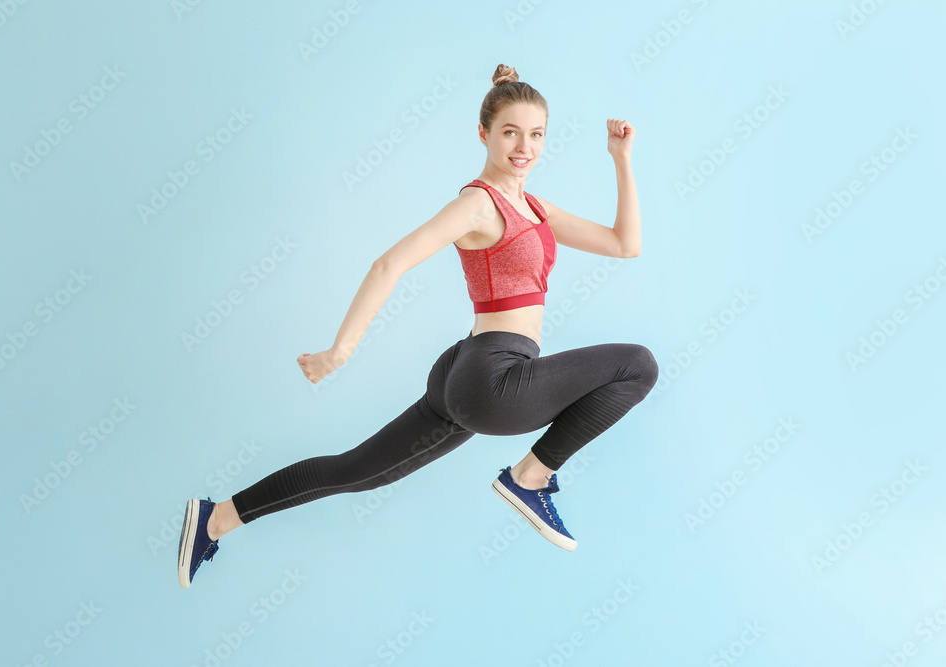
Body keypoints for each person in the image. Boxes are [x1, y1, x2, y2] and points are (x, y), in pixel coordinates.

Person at [178, 63, 658, 588]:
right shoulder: (479, 204)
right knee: (637, 365)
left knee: (356, 470)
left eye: (536, 134)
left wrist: (621, 159)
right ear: (484, 134)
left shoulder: (536, 207)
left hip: (465, 374)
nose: (524, 146)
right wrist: (340, 350)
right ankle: (531, 476)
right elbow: (391, 263)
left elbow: (623, 244)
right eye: (510, 132)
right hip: (490, 376)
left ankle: (217, 517)